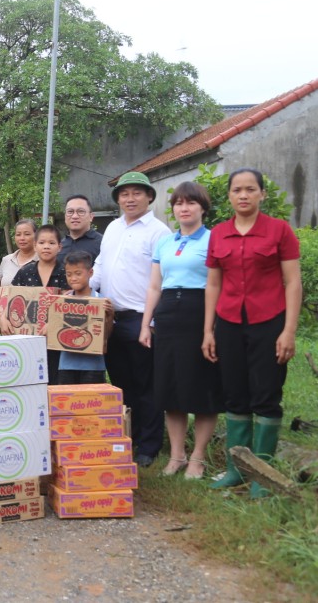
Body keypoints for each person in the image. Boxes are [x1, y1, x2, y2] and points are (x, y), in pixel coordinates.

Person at [203, 168, 302, 496]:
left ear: (261, 193)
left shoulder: (279, 231)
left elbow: (293, 282)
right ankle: (236, 469)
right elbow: (213, 284)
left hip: (269, 321)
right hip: (229, 322)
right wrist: (209, 330)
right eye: (237, 190)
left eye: (250, 189)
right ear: (229, 196)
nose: (243, 195)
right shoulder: (218, 234)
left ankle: (263, 474)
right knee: (234, 394)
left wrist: (288, 330)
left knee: (266, 395)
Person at [138, 182, 222, 479]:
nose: (184, 208)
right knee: (170, 387)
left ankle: (198, 457)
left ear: (202, 207)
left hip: (199, 311)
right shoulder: (166, 242)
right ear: (173, 208)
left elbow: (216, 285)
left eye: (191, 203)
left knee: (201, 386)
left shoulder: (214, 239)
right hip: (168, 317)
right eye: (179, 203)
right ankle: (176, 455)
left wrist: (209, 329)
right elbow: (154, 286)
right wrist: (146, 323)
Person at [91, 171, 170, 467]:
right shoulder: (112, 227)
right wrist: (84, 289)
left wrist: (150, 322)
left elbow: (160, 278)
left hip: (141, 318)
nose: (130, 198)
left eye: (137, 193)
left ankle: (149, 447)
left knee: (145, 384)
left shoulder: (158, 232)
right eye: (124, 194)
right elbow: (100, 265)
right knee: (121, 383)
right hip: (110, 319)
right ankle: (130, 437)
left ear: (149, 196)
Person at [8, 224, 70, 383]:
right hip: (28, 339)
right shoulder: (25, 271)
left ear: (59, 247)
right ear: (35, 246)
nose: (46, 247)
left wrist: (54, 323)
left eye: (51, 243)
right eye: (42, 243)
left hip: (56, 341)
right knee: (29, 379)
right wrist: (3, 317)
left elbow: (69, 304)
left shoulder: (64, 272)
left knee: (54, 380)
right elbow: (12, 298)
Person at [58, 251, 111, 385]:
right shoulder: (62, 301)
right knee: (66, 404)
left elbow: (106, 336)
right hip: (66, 365)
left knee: (91, 403)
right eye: (69, 274)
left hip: (93, 366)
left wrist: (110, 315)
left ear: (90, 273)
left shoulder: (101, 301)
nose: (73, 278)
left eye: (78, 273)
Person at [60, 194, 102, 261]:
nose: (75, 216)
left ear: (91, 216)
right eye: (70, 212)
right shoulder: (59, 246)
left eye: (81, 211)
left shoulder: (102, 244)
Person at [0, 219, 37, 286]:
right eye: (18, 234)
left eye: (27, 234)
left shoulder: (42, 261)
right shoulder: (7, 260)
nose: (22, 238)